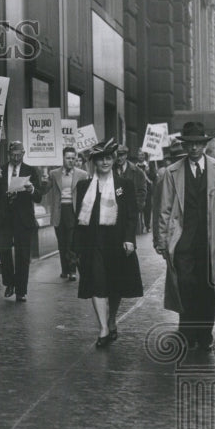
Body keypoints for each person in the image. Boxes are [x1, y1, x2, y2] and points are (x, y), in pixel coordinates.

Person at [155, 121, 215, 352]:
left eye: (198, 144)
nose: (193, 148)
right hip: (182, 240)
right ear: (185, 145)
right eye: (190, 144)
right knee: (184, 285)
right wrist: (161, 241)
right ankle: (187, 331)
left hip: (210, 240)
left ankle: (204, 334)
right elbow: (164, 208)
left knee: (207, 286)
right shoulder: (173, 171)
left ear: (204, 145)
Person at [69, 138, 144, 348]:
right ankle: (103, 327)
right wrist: (75, 247)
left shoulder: (124, 185)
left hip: (117, 242)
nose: (105, 162)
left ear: (113, 160)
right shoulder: (84, 185)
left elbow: (131, 215)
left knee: (115, 286)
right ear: (94, 161)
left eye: (108, 158)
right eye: (100, 158)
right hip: (92, 243)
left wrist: (130, 239)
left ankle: (111, 320)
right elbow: (78, 217)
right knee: (97, 283)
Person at [0, 140, 44, 302]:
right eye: (12, 155)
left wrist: (32, 189)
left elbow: (39, 196)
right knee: (3, 250)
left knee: (22, 256)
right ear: (8, 154)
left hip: (23, 219)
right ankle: (9, 282)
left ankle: (21, 290)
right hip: (4, 219)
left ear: (23, 154)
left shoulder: (31, 170)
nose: (15, 158)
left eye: (18, 155)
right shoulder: (0, 170)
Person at [43, 146, 88, 282]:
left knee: (71, 242)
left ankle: (73, 270)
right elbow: (45, 190)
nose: (71, 161)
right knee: (61, 242)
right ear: (62, 158)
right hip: (59, 211)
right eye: (68, 158)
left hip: (73, 211)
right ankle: (64, 270)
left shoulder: (82, 174)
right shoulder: (54, 173)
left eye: (73, 158)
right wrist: (44, 181)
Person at [115, 145, 150, 235]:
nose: (119, 158)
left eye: (121, 155)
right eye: (117, 155)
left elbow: (142, 192)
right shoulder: (111, 170)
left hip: (130, 212)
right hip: (113, 211)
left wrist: (136, 208)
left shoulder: (137, 171)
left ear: (126, 155)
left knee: (130, 241)